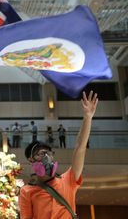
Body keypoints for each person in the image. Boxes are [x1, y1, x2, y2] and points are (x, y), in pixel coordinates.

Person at [19, 91, 98, 219]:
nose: (46, 157)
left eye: (48, 153)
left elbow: (80, 147)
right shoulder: (27, 191)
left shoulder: (68, 180)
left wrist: (88, 117)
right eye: (41, 154)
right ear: (31, 160)